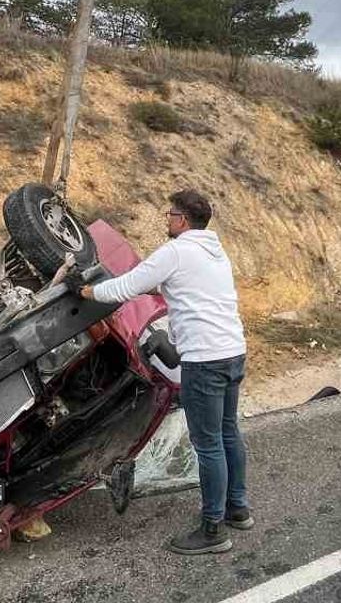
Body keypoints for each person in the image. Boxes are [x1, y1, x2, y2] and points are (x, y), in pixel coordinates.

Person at [80, 190, 250, 555]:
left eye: (169, 214)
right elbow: (183, 287)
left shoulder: (176, 251)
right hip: (233, 353)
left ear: (183, 220)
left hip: (204, 360)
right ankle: (238, 508)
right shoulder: (215, 251)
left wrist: (87, 291)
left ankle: (213, 529)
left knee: (208, 445)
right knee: (228, 432)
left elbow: (127, 286)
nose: (166, 219)